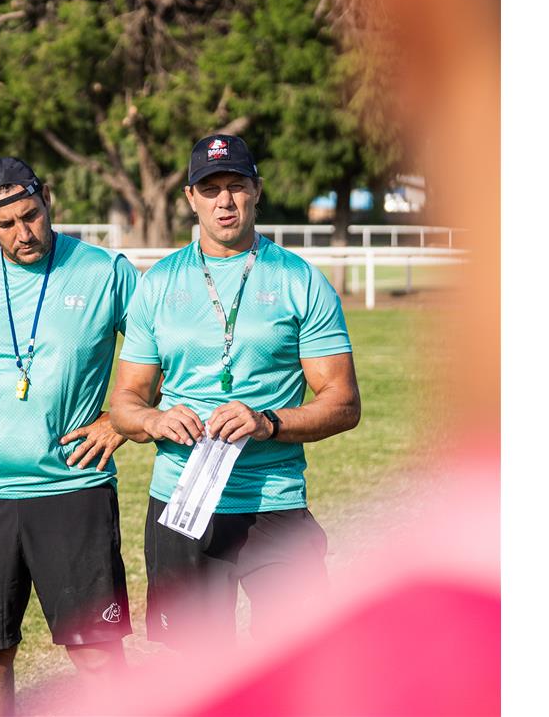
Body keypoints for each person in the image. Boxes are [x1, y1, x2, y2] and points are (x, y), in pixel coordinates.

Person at [109, 134, 362, 652]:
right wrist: (153, 421)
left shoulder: (300, 281)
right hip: (183, 502)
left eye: (236, 186)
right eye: (211, 188)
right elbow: (125, 403)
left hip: (274, 500)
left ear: (256, 191)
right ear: (189, 198)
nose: (224, 201)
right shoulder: (158, 284)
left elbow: (343, 402)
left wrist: (268, 421)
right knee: (193, 676)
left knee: (297, 663)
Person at [0, 156, 140, 715]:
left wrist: (121, 419)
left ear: (47, 202)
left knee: (98, 657)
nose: (23, 233)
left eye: (31, 216)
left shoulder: (105, 271)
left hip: (73, 491)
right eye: (6, 225)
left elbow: (158, 352)